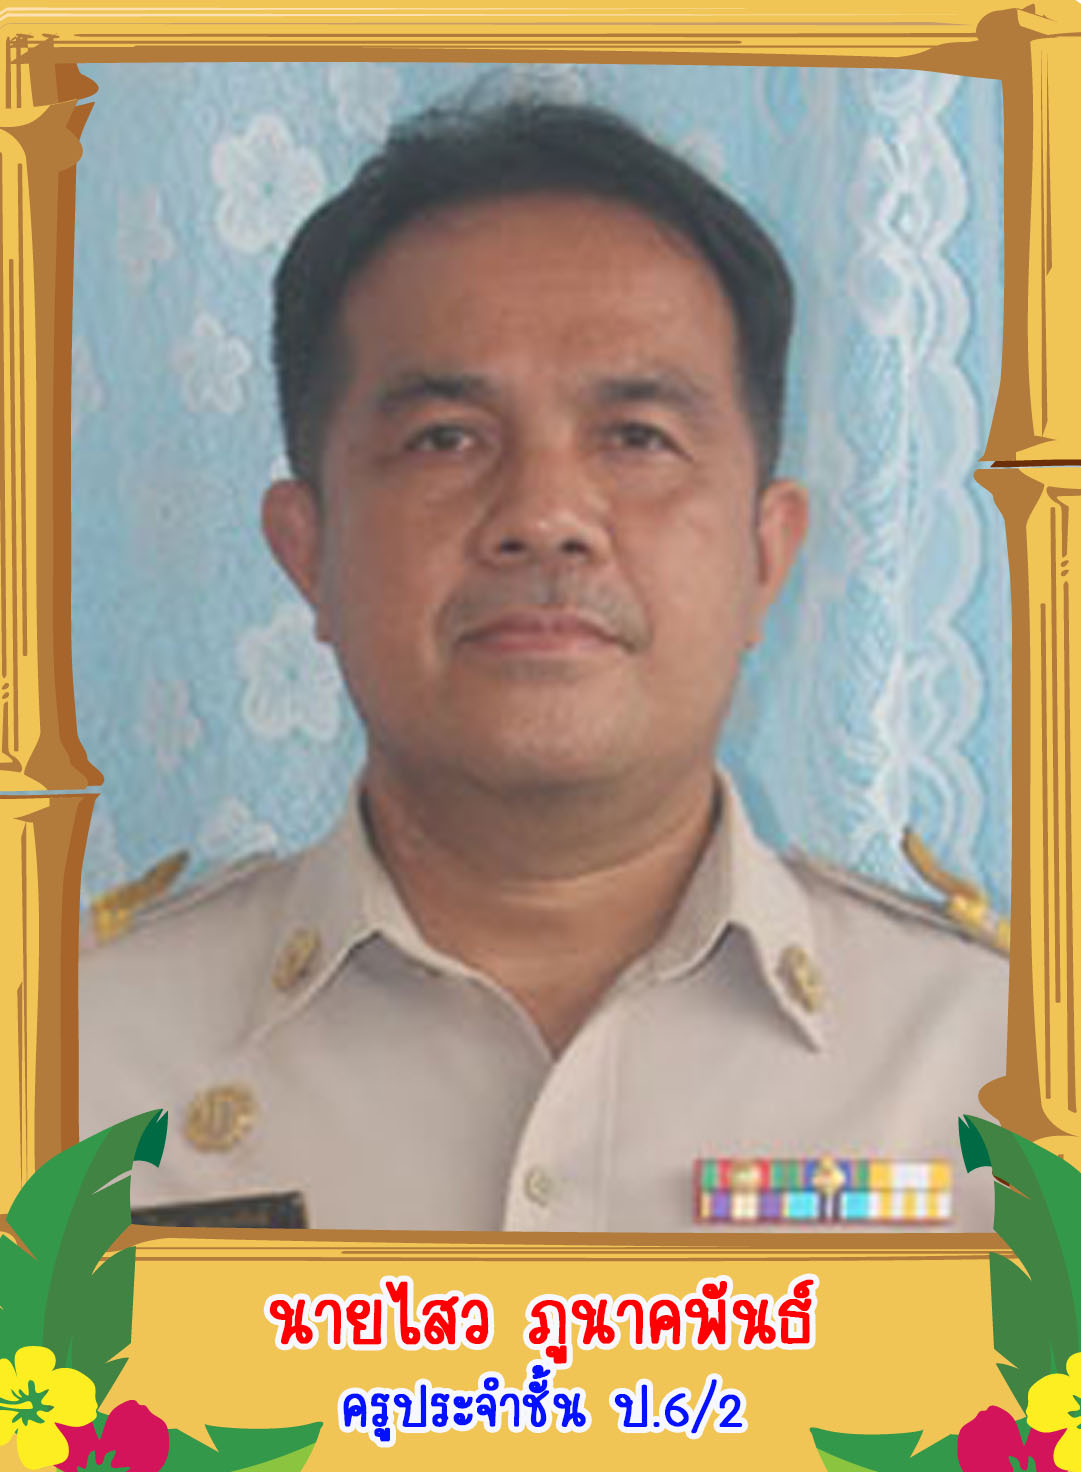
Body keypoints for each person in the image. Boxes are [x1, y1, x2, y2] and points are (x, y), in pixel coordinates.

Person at [79, 98, 1008, 1232]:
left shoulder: (1004, 1067)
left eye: (636, 438)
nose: (544, 515)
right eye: (445, 438)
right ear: (306, 549)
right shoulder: (70, 1061)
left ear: (766, 555)